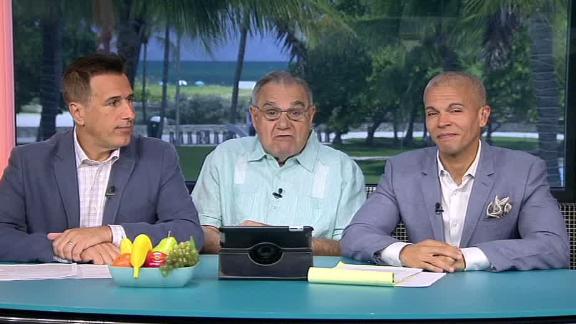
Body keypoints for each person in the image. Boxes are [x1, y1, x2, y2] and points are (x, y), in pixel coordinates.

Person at [341, 71, 569, 272]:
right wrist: (404, 253)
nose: (443, 122)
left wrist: (467, 258)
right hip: (423, 300)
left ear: (483, 116)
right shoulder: (401, 170)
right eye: (432, 113)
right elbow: (356, 235)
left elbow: (552, 246)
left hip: (496, 301)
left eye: (455, 110)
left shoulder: (524, 170)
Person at [0, 53, 203, 264]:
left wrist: (109, 233)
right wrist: (67, 248)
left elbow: (189, 232)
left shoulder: (158, 157)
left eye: (130, 100)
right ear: (78, 113)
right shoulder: (29, 162)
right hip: (51, 293)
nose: (130, 114)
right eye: (114, 102)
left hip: (126, 291)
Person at [192, 71, 365, 255]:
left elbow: (351, 245)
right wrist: (252, 243)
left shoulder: (343, 169)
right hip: (235, 278)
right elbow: (199, 233)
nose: (283, 124)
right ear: (255, 116)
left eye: (295, 113)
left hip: (312, 280)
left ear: (311, 116)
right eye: (272, 113)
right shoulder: (224, 157)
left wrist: (279, 242)